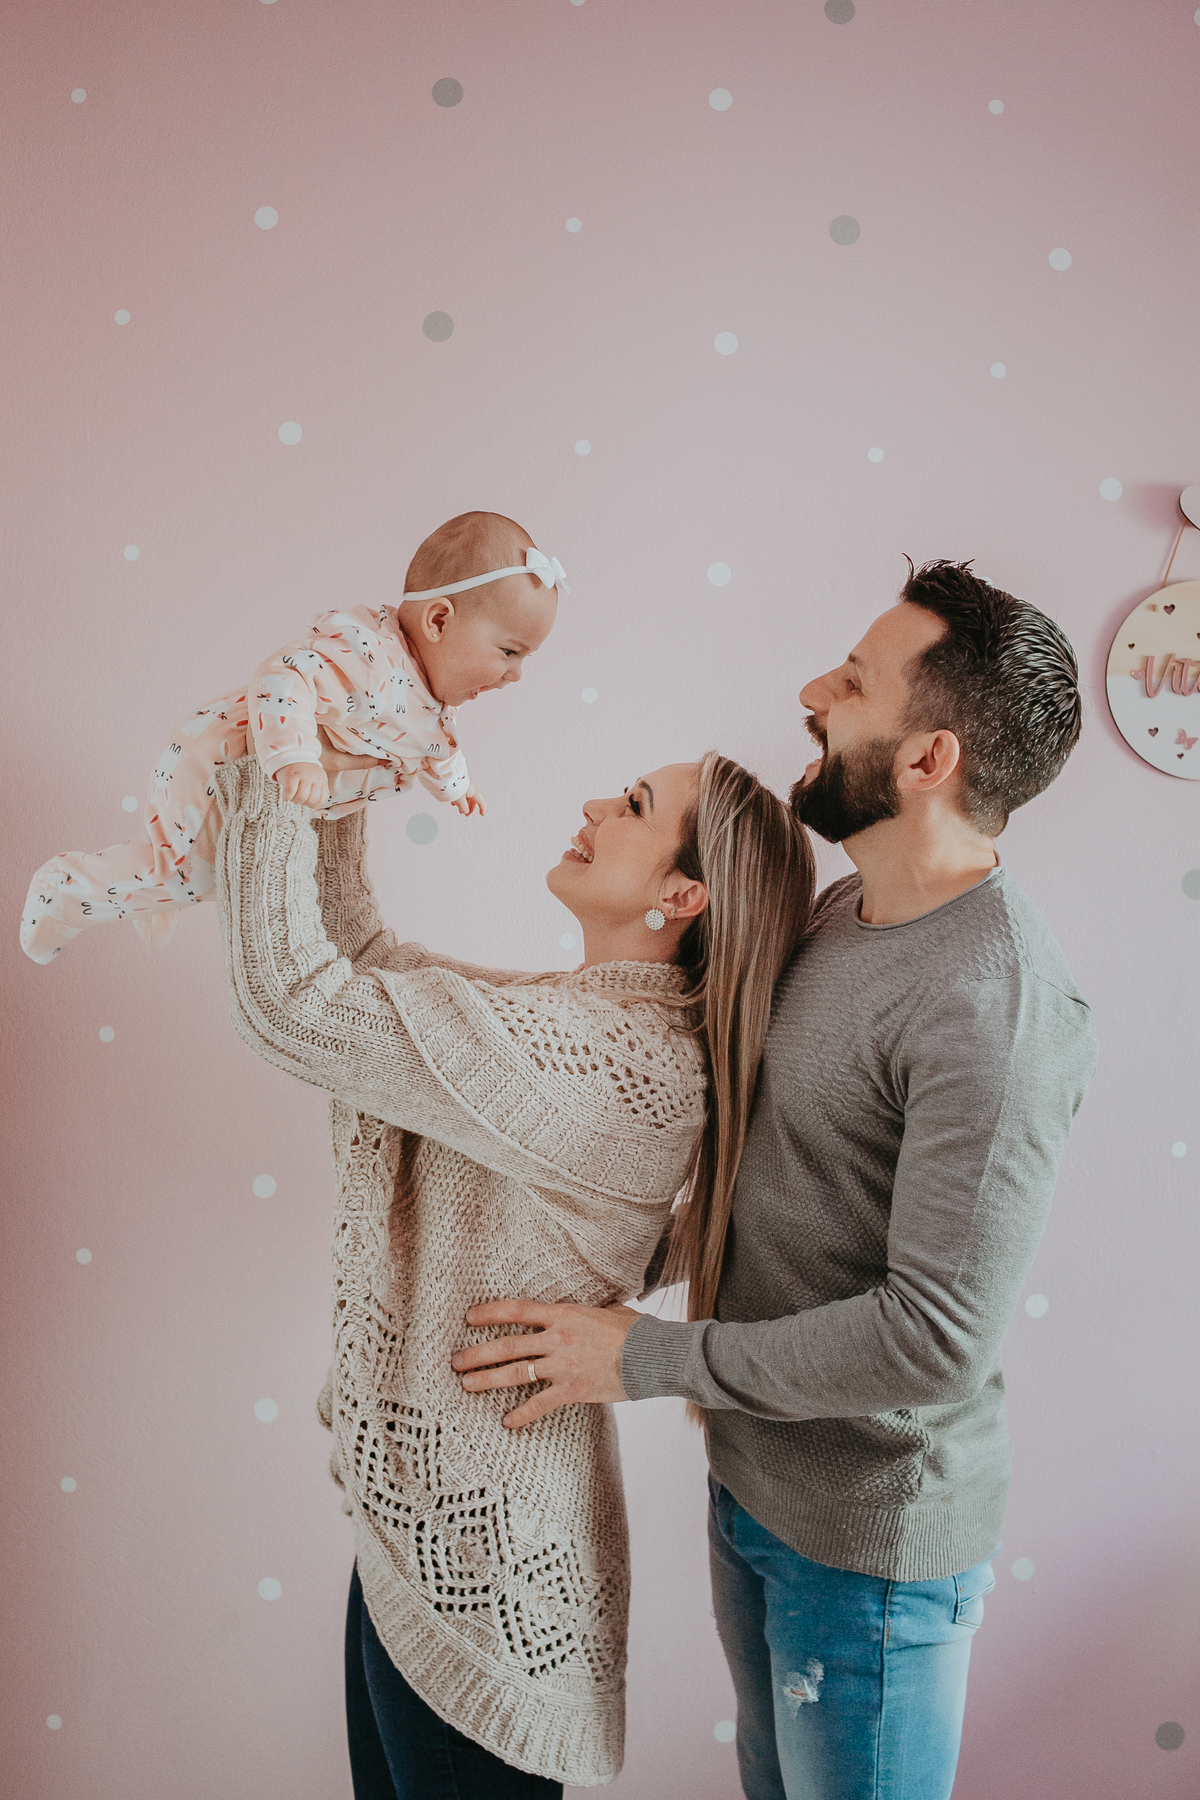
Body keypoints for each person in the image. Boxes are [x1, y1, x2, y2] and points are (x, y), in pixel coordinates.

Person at [452, 560, 1099, 1800]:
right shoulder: (847, 912)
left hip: (873, 1549)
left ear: (928, 760)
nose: (811, 692)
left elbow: (935, 1340)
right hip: (758, 1479)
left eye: (852, 684)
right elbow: (767, 1162)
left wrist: (639, 1359)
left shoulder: (997, 1010)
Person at [211, 730, 813, 1795]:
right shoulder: (581, 1027)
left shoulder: (610, 1065)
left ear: (683, 896)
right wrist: (341, 768)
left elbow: (297, 1005)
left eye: (632, 803)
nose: (594, 804)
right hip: (434, 1527)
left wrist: (267, 757)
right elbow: (369, 966)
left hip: (491, 1573)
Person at [20, 510, 563, 963]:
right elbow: (284, 675)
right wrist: (296, 756)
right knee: (187, 874)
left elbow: (439, 750)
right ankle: (64, 890)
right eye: (510, 652)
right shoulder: (370, 658)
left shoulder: (427, 704)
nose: (515, 675)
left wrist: (458, 789)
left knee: (196, 874)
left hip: (242, 772)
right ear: (439, 621)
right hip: (217, 756)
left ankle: (148, 891)